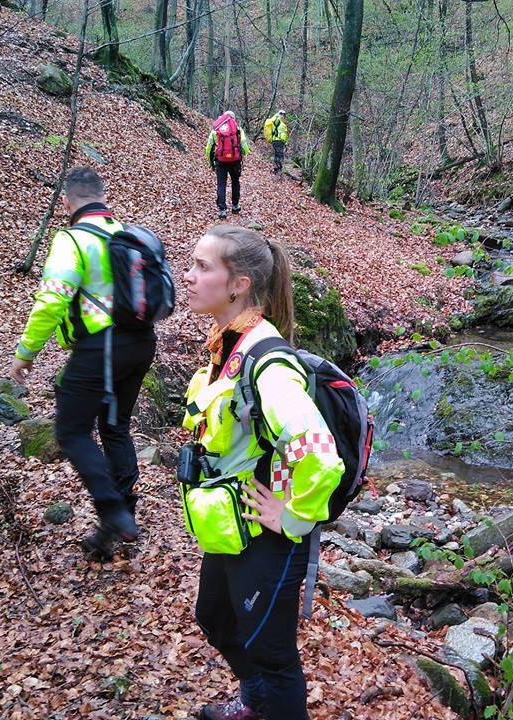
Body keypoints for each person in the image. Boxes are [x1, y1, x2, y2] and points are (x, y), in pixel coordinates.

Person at [181, 225, 344, 720]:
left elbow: (318, 451)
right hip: (232, 526)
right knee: (215, 617)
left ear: (239, 284)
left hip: (267, 534)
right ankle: (255, 701)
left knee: (273, 657)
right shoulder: (227, 344)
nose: (187, 276)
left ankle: (268, 700)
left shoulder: (266, 361)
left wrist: (293, 517)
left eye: (202, 267)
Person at [10, 165, 157, 559]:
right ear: (103, 195)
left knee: (71, 431)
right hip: (142, 343)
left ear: (67, 201)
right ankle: (122, 520)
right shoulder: (123, 232)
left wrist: (26, 354)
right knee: (114, 427)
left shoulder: (73, 240)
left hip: (102, 348)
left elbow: (52, 299)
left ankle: (113, 511)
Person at [205, 111, 251, 219]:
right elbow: (245, 147)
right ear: (233, 119)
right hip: (235, 161)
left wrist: (210, 161)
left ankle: (222, 210)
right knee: (235, 182)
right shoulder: (238, 129)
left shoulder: (215, 130)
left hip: (220, 161)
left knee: (221, 184)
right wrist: (242, 153)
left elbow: (208, 148)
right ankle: (235, 206)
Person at [262, 110, 289, 175]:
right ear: (280, 114)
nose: (284, 116)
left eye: (284, 115)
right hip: (277, 140)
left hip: (280, 141)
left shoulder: (281, 122)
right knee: (279, 155)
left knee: (278, 154)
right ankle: (277, 170)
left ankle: (277, 169)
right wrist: (277, 116)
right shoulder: (277, 120)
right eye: (282, 114)